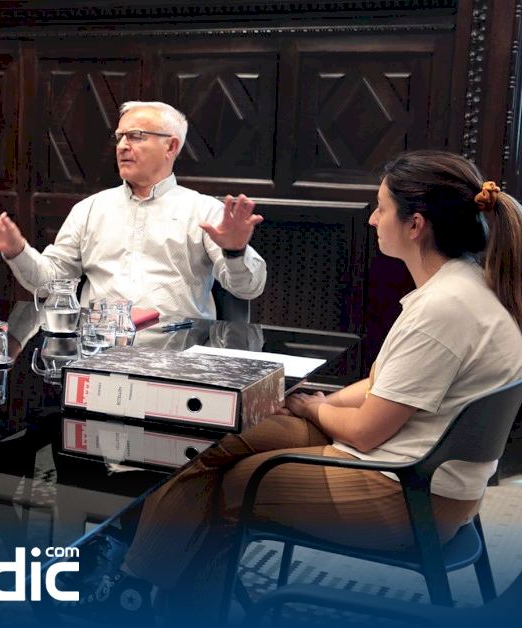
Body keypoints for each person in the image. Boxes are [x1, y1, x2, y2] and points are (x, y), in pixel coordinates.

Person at [116, 150, 522, 620]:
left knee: (227, 484)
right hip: (414, 468)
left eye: (381, 209)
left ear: (415, 225)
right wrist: (315, 401)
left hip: (405, 492)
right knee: (213, 437)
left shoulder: (444, 308)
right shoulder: (470, 284)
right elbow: (382, 384)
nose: (372, 220)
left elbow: (366, 432)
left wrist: (314, 410)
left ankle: (153, 599)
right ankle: (140, 581)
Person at [0, 100, 267, 320]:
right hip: (96, 349)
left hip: (176, 356)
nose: (122, 146)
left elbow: (248, 289)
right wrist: (16, 250)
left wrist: (235, 252)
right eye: (120, 136)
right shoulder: (91, 209)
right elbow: (48, 285)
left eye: (136, 136)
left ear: (171, 147)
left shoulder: (204, 211)